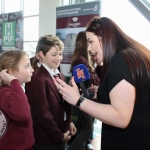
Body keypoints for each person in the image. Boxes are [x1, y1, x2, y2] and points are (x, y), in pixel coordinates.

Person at [53, 16, 150, 149]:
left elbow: (121, 118)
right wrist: (103, 93)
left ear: (104, 37)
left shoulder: (121, 60)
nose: (89, 48)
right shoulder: (132, 55)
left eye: (91, 42)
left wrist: (78, 100)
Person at [28, 35, 77, 150]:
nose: (58, 58)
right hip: (47, 139)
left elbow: (66, 104)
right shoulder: (38, 80)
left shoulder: (62, 77)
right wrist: (59, 136)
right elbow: (42, 115)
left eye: (60, 54)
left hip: (62, 131)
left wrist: (69, 121)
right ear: (41, 55)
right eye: (54, 55)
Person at [68, 31, 100, 150]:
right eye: (90, 42)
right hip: (85, 99)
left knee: (85, 129)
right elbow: (88, 81)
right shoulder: (80, 61)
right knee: (86, 131)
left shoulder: (84, 59)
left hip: (88, 99)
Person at [0, 50, 34, 150]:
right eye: (27, 66)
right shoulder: (5, 93)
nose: (32, 70)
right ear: (11, 72)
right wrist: (14, 81)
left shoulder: (15, 90)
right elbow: (22, 113)